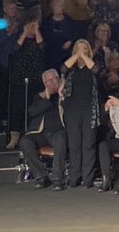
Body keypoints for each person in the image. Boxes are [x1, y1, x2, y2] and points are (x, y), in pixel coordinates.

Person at [61, 39, 100, 189]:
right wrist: (76, 56)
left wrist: (84, 57)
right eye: (78, 48)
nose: (81, 51)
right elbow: (63, 69)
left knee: (88, 143)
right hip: (72, 110)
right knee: (74, 144)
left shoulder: (93, 66)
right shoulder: (71, 69)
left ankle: (88, 178)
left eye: (84, 49)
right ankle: (74, 177)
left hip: (89, 109)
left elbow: (96, 70)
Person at [19, 68, 67, 189]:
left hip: (58, 132)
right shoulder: (39, 97)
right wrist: (47, 96)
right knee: (25, 141)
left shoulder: (66, 94)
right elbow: (32, 111)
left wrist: (62, 95)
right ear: (44, 83)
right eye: (48, 81)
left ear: (59, 79)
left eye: (54, 79)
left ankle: (57, 178)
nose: (52, 82)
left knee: (60, 139)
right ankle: (41, 176)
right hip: (40, 133)